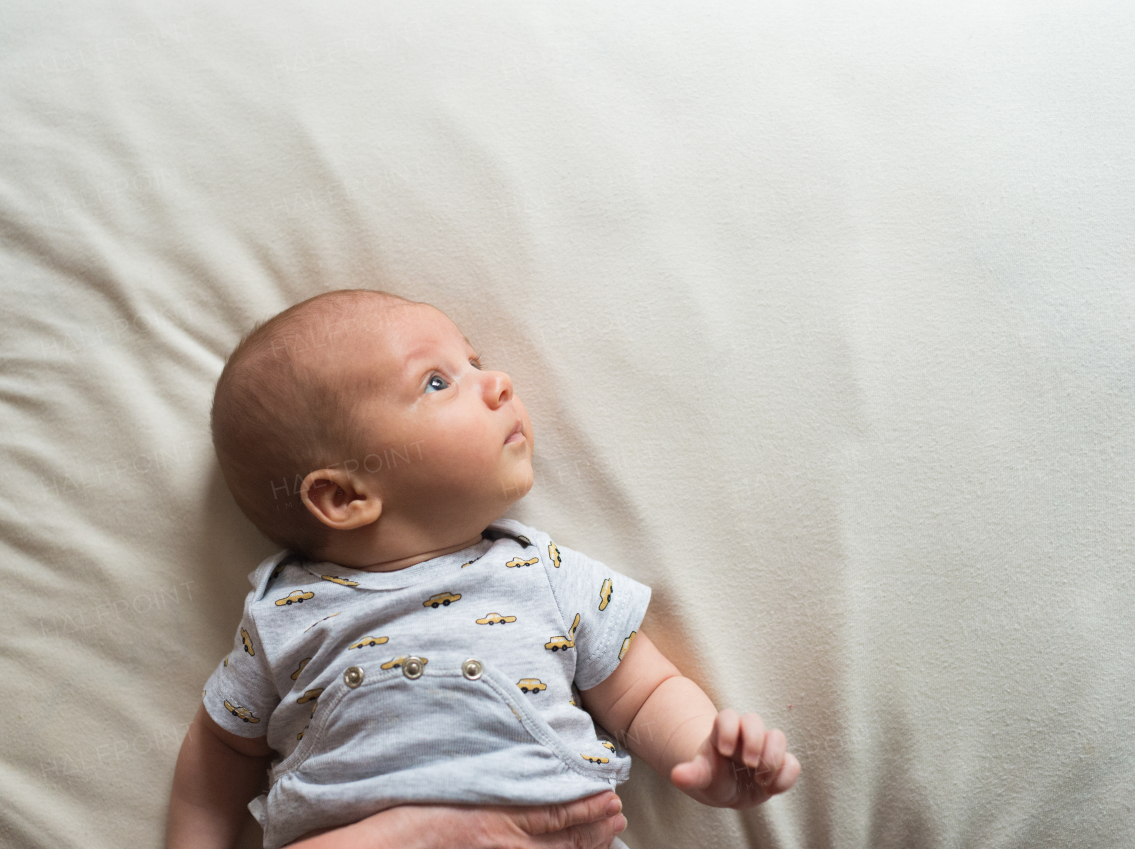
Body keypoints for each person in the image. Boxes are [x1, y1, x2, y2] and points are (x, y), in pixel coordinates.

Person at [166, 290, 800, 848]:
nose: (496, 381)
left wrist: (703, 756)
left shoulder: (545, 573)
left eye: (474, 362)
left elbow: (644, 695)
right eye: (437, 382)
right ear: (345, 497)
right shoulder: (284, 614)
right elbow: (223, 744)